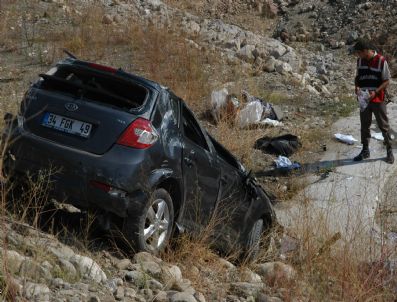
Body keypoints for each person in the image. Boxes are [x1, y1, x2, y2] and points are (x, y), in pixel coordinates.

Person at [352, 38, 394, 164]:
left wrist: (375, 92)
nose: (358, 55)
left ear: (365, 51)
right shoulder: (360, 61)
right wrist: (357, 87)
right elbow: (358, 77)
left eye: (359, 52)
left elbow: (386, 80)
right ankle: (365, 150)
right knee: (364, 126)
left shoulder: (381, 61)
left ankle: (389, 151)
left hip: (377, 98)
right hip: (364, 99)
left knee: (383, 126)